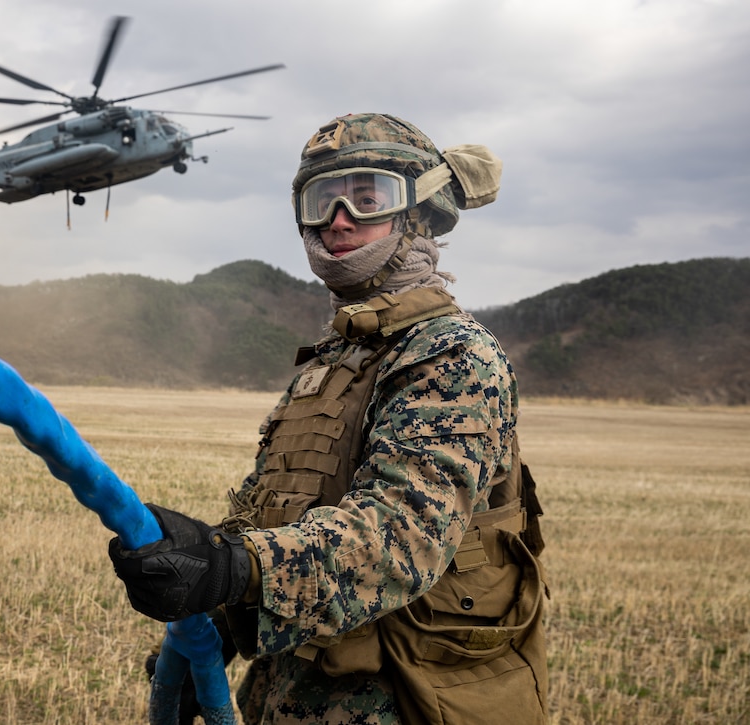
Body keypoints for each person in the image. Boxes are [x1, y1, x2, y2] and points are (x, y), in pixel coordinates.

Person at [110, 113, 548, 724]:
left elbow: (401, 536)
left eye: (366, 198)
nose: (338, 218)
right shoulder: (336, 358)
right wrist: (208, 623)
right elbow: (274, 510)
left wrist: (234, 569)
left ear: (415, 212)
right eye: (322, 200)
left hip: (403, 698)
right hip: (291, 690)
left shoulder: (450, 354)